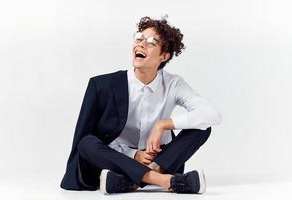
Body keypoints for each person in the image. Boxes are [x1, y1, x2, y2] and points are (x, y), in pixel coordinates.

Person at [60, 16, 222, 195]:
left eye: (151, 42)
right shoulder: (102, 85)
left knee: (202, 127)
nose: (141, 44)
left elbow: (212, 114)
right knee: (86, 143)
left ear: (164, 56)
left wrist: (163, 124)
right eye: (139, 38)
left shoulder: (173, 84)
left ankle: (131, 182)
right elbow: (84, 141)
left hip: (160, 159)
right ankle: (163, 180)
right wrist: (133, 156)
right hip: (117, 159)